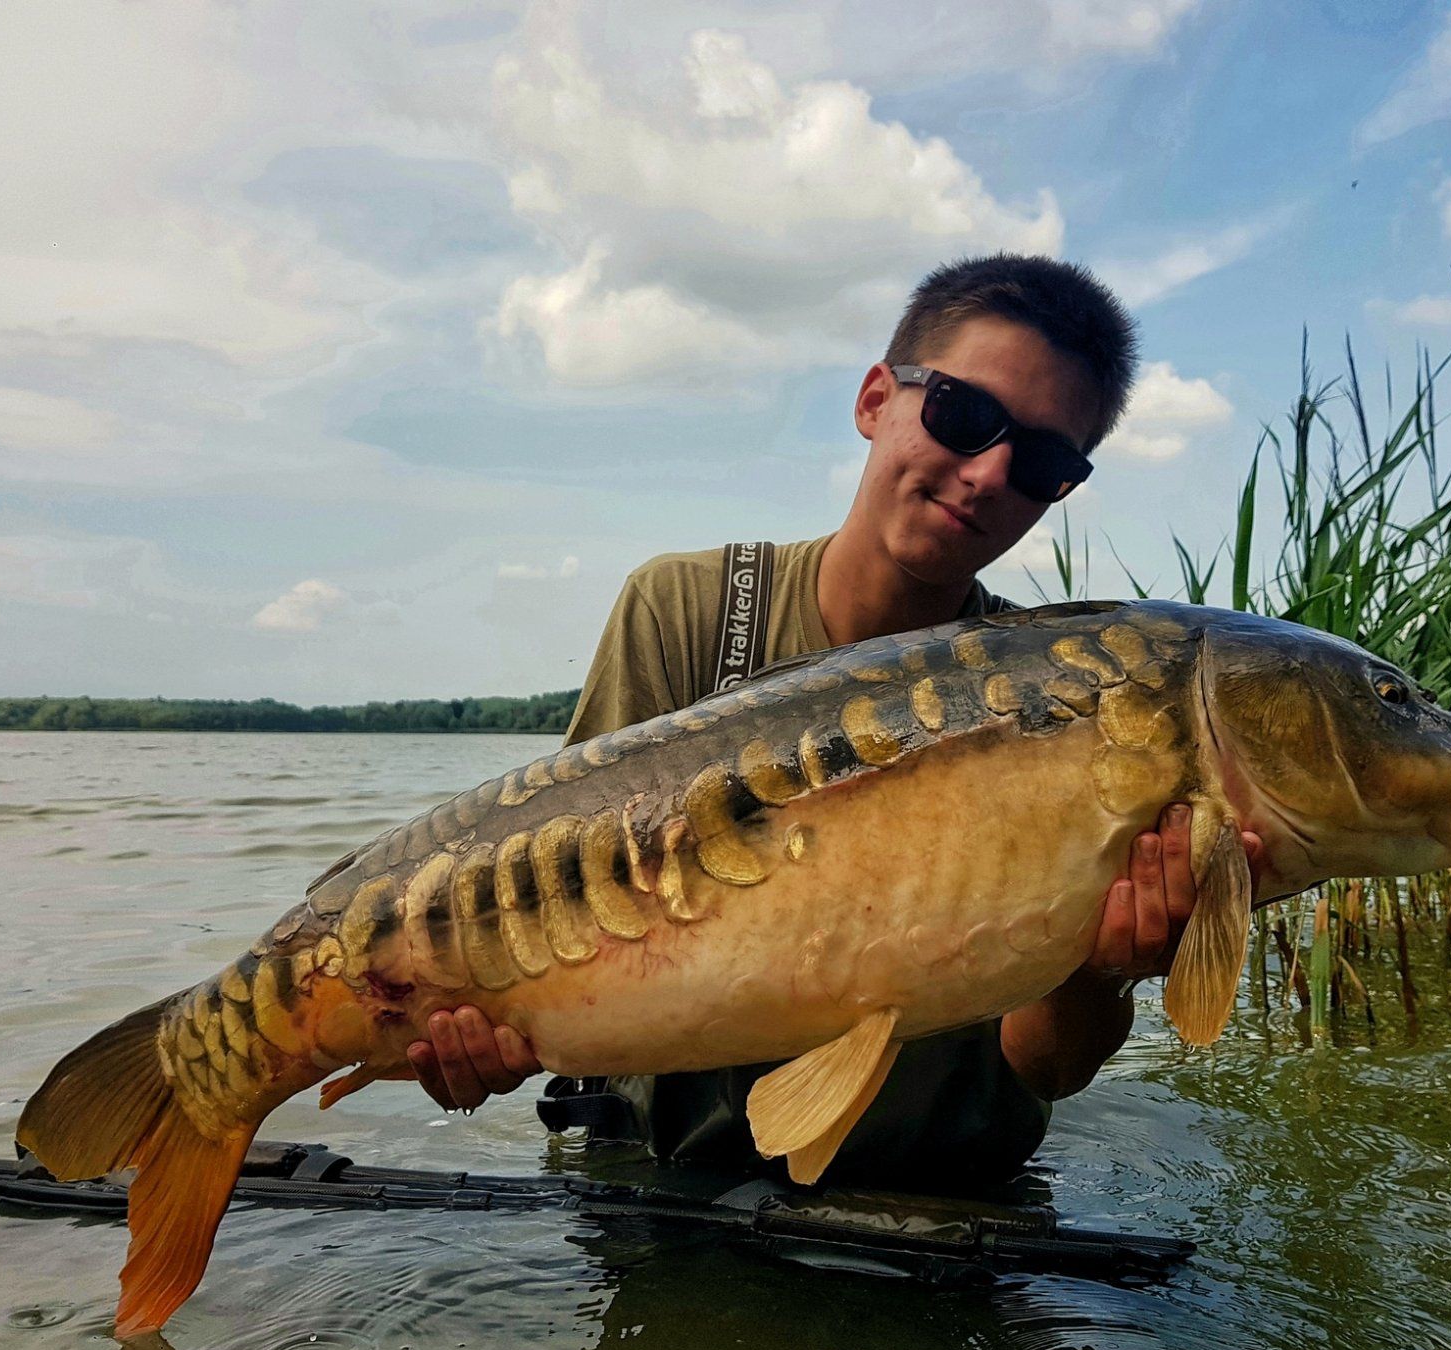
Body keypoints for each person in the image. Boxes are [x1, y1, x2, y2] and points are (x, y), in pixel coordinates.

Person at [406, 253, 1261, 1185]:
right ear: (874, 400)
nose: (988, 474)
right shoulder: (687, 610)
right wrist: (486, 1027)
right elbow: (555, 902)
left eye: (1044, 462)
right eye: (964, 417)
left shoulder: (1082, 704)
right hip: (678, 1184)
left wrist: (1107, 968)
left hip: (952, 1198)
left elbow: (1046, 1066)